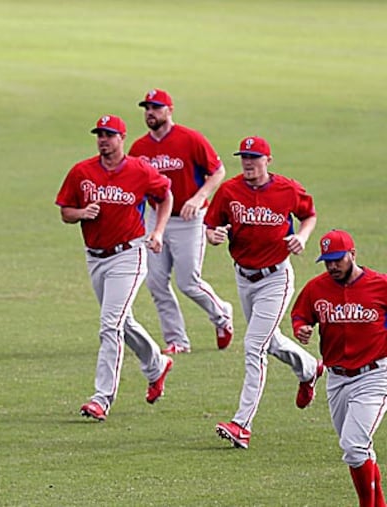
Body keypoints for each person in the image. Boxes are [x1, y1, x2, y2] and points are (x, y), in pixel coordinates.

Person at [205, 136, 323, 449]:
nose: (247, 162)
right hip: (244, 277)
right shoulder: (229, 190)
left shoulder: (286, 189)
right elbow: (211, 225)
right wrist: (213, 235)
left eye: (254, 157)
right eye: (244, 156)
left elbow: (309, 214)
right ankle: (309, 369)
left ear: (267, 160)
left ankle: (242, 424)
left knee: (254, 346)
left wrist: (303, 236)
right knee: (268, 341)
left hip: (276, 278)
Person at [55, 114, 175, 422]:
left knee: (110, 325)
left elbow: (165, 196)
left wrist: (158, 231)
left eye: (109, 135)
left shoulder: (139, 170)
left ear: (122, 138)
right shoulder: (82, 172)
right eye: (100, 135)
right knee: (123, 321)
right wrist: (82, 212)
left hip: (129, 254)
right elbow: (65, 213)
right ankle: (156, 364)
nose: (103, 140)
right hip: (95, 257)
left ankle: (101, 398)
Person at [128, 89, 233, 354]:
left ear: (169, 110)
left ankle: (222, 315)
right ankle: (177, 341)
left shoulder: (189, 139)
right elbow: (134, 186)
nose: (150, 112)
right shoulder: (139, 148)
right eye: (147, 107)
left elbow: (218, 170)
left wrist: (199, 198)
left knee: (188, 282)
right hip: (157, 218)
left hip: (191, 220)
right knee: (155, 281)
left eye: (156, 107)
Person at [291, 230, 387, 506]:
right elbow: (300, 314)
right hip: (336, 379)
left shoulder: (380, 285)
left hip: (375, 376)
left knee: (354, 446)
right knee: (359, 448)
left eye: (337, 260)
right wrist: (302, 329)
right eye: (327, 261)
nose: (332, 266)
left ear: (352, 255)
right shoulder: (317, 288)